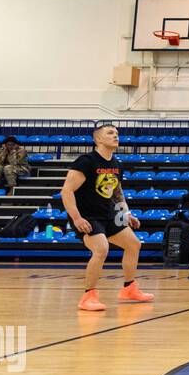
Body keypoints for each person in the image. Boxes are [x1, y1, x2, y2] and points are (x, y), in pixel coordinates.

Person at [62, 123, 151, 313]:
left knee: (134, 244)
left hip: (108, 214)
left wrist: (125, 214)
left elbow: (117, 192)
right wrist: (76, 219)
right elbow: (66, 191)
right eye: (110, 133)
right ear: (98, 139)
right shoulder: (86, 161)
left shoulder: (116, 164)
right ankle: (88, 296)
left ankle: (129, 289)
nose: (116, 136)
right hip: (87, 216)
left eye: (117, 133)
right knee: (102, 248)